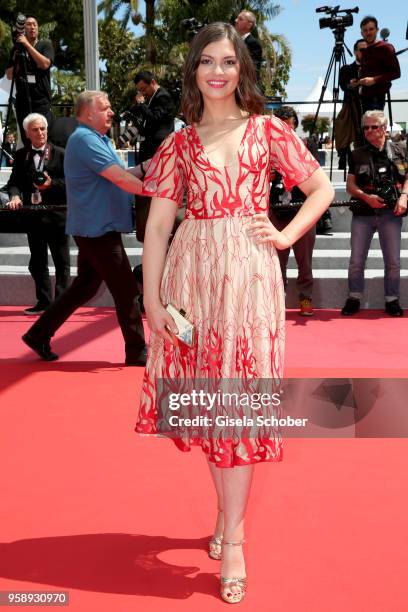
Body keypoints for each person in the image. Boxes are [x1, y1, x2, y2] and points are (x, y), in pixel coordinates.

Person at [135, 23, 333, 604]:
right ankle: (227, 514)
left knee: (240, 404)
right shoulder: (178, 144)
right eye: (206, 62)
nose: (217, 72)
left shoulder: (268, 130)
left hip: (248, 278)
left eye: (228, 62)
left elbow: (320, 188)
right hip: (192, 279)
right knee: (211, 405)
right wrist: (151, 301)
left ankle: (236, 535)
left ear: (242, 70)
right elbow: (158, 227)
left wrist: (284, 234)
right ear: (193, 71)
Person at [22, 91, 147, 365]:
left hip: (96, 227)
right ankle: (137, 352)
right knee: (126, 290)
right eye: (106, 107)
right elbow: (121, 179)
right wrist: (159, 192)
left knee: (85, 288)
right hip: (97, 229)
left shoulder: (95, 140)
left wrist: (150, 166)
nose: (111, 112)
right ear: (89, 113)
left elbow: (125, 174)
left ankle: (38, 334)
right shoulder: (86, 140)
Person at [341, 111, 407, 317]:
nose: (369, 131)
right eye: (366, 127)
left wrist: (404, 196)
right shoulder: (357, 153)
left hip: (391, 214)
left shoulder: (401, 149)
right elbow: (350, 185)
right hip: (363, 213)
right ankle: (354, 297)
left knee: (393, 261)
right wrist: (366, 197)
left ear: (385, 128)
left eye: (374, 127)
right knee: (357, 260)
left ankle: (392, 299)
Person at [5, 113, 70, 314]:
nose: (40, 132)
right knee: (37, 262)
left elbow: (73, 184)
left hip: (57, 216)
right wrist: (15, 197)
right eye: (35, 129)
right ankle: (43, 302)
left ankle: (61, 305)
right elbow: (14, 183)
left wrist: (52, 184)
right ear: (27, 133)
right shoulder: (21, 155)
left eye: (43, 128)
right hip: (33, 217)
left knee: (62, 262)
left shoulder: (61, 153)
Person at [269, 106, 318, 316]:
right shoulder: (265, 148)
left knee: (304, 261)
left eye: (290, 126)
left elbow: (315, 179)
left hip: (302, 211)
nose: (287, 131)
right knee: (276, 262)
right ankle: (277, 299)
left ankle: (305, 298)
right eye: (282, 127)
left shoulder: (306, 146)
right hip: (277, 212)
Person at [5, 15, 54, 145]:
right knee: (27, 141)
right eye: (28, 24)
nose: (32, 27)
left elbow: (45, 64)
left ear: (38, 28)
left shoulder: (45, 45)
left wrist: (27, 45)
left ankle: (44, 165)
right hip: (23, 103)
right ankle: (29, 165)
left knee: (43, 140)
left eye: (35, 24)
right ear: (23, 29)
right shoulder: (16, 49)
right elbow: (9, 75)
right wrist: (17, 54)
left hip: (41, 102)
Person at [356, 16, 400, 112]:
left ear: (377, 30)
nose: (368, 33)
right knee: (366, 126)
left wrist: (374, 80)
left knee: (375, 126)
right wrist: (358, 81)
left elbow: (396, 73)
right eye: (365, 30)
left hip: (376, 99)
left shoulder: (386, 47)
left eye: (371, 29)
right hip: (364, 98)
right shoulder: (366, 51)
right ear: (362, 33)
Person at [336, 39, 367, 169]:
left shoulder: (374, 69)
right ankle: (345, 156)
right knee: (342, 128)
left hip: (368, 107)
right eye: (362, 50)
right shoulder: (347, 69)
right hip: (351, 105)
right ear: (355, 52)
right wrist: (351, 85)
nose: (365, 53)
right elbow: (343, 85)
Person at [234, 10, 263, 81]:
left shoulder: (254, 44)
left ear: (249, 25)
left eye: (240, 19)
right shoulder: (231, 41)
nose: (236, 20)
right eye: (237, 18)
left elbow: (253, 70)